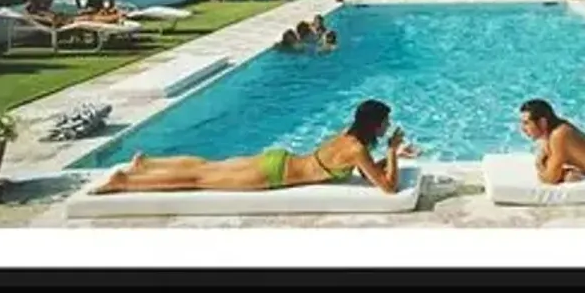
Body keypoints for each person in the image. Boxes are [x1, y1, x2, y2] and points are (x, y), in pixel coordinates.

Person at [92, 99, 417, 195]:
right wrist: (391, 152)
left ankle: (147, 164)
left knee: (207, 166)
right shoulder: (358, 150)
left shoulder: (347, 137)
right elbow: (387, 187)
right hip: (272, 174)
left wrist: (390, 154)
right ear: (375, 124)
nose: (387, 127)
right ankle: (125, 181)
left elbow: (361, 168)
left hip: (279, 158)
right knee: (198, 181)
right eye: (385, 123)